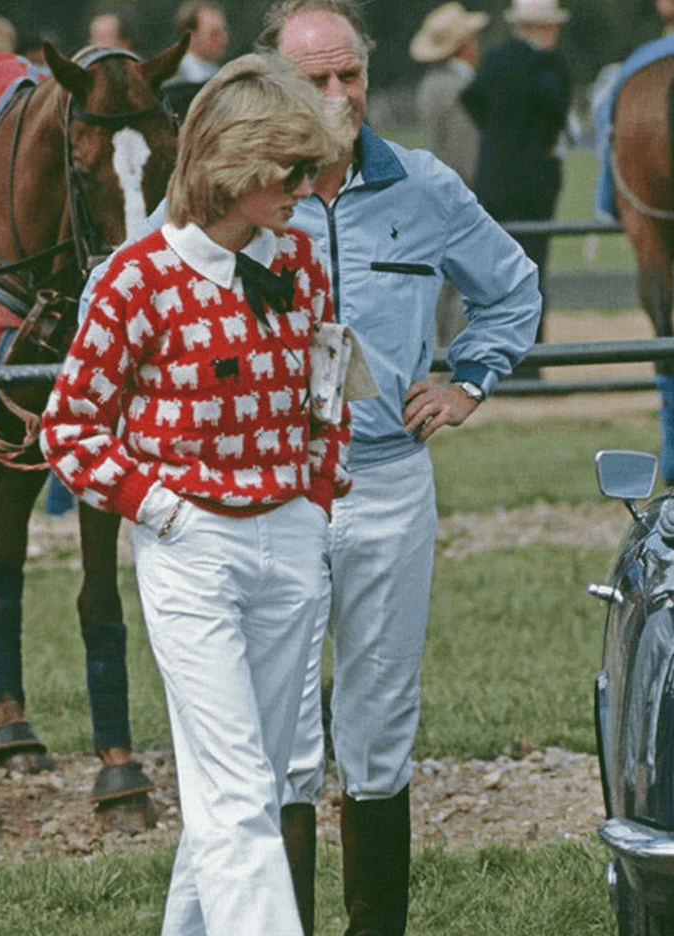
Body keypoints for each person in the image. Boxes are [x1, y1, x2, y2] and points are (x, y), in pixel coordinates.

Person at [41, 53, 352, 936]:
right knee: (237, 788)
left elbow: (325, 384)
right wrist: (160, 508)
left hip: (289, 538)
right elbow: (69, 427)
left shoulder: (297, 258)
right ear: (233, 166)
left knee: (247, 777)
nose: (307, 187)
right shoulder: (136, 279)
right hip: (192, 547)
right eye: (293, 170)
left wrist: (316, 494)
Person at [251, 2, 541, 934]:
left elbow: (514, 288)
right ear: (276, 81)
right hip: (272, 494)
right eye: (317, 79)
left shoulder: (423, 185)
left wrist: (469, 381)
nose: (338, 96)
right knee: (281, 739)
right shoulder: (240, 192)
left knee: (379, 726)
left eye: (351, 77)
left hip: (386, 480)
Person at [461, 0, 571, 372]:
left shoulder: (494, 59)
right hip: (535, 185)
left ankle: (493, 360)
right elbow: (558, 110)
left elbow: (470, 98)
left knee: (495, 273)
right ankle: (529, 362)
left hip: (493, 181)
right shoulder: (549, 66)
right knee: (532, 270)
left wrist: (497, 137)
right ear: (539, 28)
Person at [411, 1, 488, 347]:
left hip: (435, 190)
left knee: (443, 278)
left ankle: (443, 349)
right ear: (464, 45)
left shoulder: (432, 84)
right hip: (459, 190)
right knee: (462, 277)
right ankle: (456, 351)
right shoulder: (459, 89)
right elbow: (465, 151)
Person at [168, 0, 229, 83]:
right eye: (214, 34)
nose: (222, 40)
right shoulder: (172, 79)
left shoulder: (219, 73)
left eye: (223, 33)